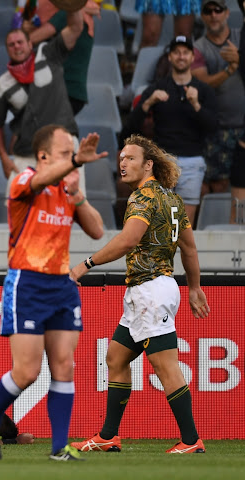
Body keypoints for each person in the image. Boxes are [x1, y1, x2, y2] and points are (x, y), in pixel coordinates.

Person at [70, 134, 210, 454]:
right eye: (121, 158)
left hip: (150, 290)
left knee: (165, 367)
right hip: (153, 289)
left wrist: (84, 265)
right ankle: (108, 436)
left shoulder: (142, 198)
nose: (123, 163)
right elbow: (188, 248)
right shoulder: (172, 199)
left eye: (130, 158)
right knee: (116, 358)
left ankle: (191, 441)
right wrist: (194, 287)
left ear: (148, 165)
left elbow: (127, 240)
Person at [0, 124, 105, 462]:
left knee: (65, 364)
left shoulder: (68, 188)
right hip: (27, 284)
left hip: (62, 285)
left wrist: (78, 195)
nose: (72, 160)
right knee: (27, 372)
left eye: (72, 153)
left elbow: (96, 230)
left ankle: (59, 447)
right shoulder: (23, 179)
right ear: (43, 155)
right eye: (65, 153)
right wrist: (77, 161)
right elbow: (37, 183)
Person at [0, 10, 86, 194]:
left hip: (65, 147)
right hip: (27, 153)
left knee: (73, 203)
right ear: (7, 50)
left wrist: (74, 6)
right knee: (19, 205)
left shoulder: (49, 54)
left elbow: (75, 28)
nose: (17, 47)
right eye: (11, 45)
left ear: (29, 43)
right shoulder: (1, 85)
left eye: (20, 42)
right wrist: (3, 157)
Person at [125, 35, 217, 225]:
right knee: (159, 224)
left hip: (192, 162)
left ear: (192, 57)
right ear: (170, 57)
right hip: (163, 161)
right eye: (176, 52)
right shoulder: (157, 88)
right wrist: (148, 102)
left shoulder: (203, 90)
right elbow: (130, 127)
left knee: (183, 227)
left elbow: (214, 127)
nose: (181, 56)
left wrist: (196, 105)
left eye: (185, 52)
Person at [191, 0, 244, 222]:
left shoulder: (241, 36)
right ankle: (220, 233)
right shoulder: (198, 47)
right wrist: (230, 69)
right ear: (202, 16)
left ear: (226, 13)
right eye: (208, 11)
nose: (213, 15)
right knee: (217, 184)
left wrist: (240, 60)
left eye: (217, 10)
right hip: (217, 127)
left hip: (243, 125)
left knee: (240, 185)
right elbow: (204, 82)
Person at [25, 0, 100, 115]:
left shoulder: (64, 14)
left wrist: (23, 31)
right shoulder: (79, 14)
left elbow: (29, 42)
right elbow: (27, 12)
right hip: (69, 93)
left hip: (65, 91)